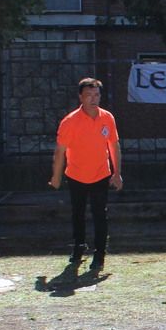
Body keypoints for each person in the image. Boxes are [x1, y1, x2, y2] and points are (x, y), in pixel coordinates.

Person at [50, 78, 122, 273]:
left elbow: (114, 145)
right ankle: (79, 247)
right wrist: (56, 176)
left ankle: (99, 254)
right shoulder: (70, 121)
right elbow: (60, 151)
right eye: (89, 95)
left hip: (100, 174)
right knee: (78, 214)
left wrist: (117, 173)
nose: (93, 99)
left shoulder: (107, 118)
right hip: (76, 175)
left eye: (97, 95)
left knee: (100, 214)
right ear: (81, 97)